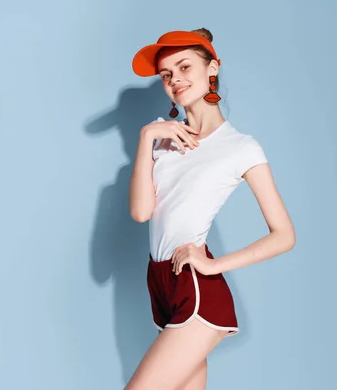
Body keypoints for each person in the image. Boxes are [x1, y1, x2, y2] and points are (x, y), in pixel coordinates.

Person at [126, 28, 296, 390]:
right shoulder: (160, 135)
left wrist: (214, 265)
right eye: (167, 74)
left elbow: (284, 235)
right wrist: (146, 139)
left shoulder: (240, 147)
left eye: (185, 66)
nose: (175, 80)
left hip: (196, 287)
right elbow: (141, 213)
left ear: (212, 69)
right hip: (160, 283)